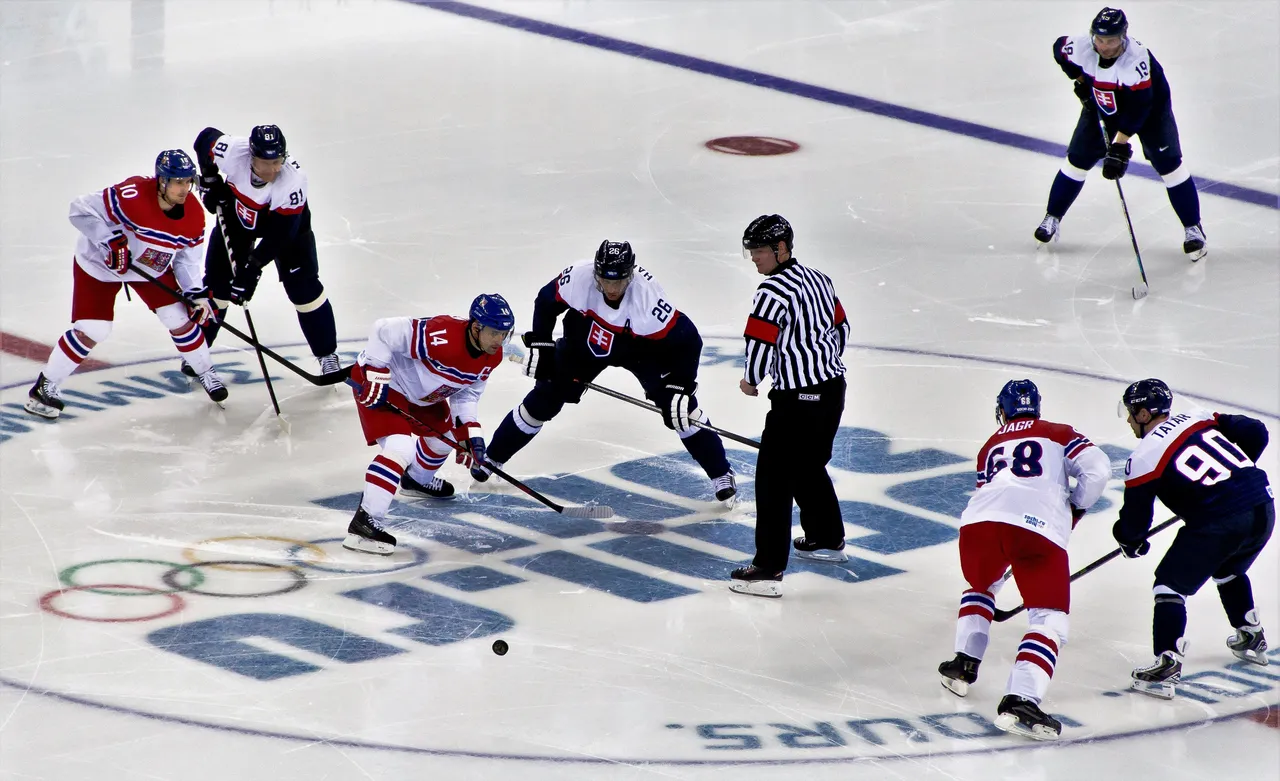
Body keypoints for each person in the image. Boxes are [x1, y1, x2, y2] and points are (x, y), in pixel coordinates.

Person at [483, 240, 736, 505]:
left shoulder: (647, 300)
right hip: (586, 337)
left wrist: (682, 386)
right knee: (545, 397)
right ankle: (493, 458)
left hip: (641, 347)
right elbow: (546, 301)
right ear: (595, 272)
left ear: (631, 275)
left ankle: (721, 473)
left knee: (679, 410)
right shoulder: (578, 277)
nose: (611, 289)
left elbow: (689, 340)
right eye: (604, 280)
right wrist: (542, 346)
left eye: (619, 282)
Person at [937, 380, 1110, 741]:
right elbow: (1098, 470)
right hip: (1036, 529)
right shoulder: (1059, 433)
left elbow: (992, 492)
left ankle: (963, 663)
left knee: (982, 587)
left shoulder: (990, 445)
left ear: (1003, 410)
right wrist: (1075, 507)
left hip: (978, 525)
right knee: (1049, 618)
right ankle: (1021, 698)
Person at [24, 150, 224, 419]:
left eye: (188, 181)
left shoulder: (194, 217)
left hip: (149, 266)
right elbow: (79, 210)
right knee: (94, 329)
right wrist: (107, 239)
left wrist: (195, 295)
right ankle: (45, 386)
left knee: (178, 317)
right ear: (161, 181)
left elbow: (187, 261)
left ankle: (205, 371)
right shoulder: (131, 194)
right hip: (100, 265)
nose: (184, 189)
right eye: (177, 182)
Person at [1114, 378, 1273, 699]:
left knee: (1168, 586)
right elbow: (1257, 431)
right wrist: (1235, 475)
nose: (1129, 420)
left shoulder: (1144, 457)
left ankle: (1166, 664)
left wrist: (1131, 542)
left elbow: (1134, 523)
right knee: (1229, 567)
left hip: (1222, 518)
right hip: (1262, 502)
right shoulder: (1198, 417)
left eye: (1132, 413)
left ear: (1144, 414)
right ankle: (1251, 634)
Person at [729, 215, 851, 598]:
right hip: (832, 391)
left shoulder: (771, 293)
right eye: (751, 251)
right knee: (808, 467)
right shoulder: (819, 279)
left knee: (772, 480)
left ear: (781, 249)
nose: (754, 258)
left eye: (760, 251)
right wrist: (822, 364)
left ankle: (768, 567)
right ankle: (827, 539)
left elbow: (760, 342)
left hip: (796, 401)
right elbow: (842, 328)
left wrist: (752, 380)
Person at [344, 294, 514, 555]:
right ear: (476, 326)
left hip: (424, 396)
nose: (499, 341)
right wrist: (376, 371)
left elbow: (467, 393)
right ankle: (365, 524)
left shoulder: (493, 355)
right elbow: (383, 329)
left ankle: (416, 480)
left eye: (504, 333)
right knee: (401, 448)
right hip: (386, 385)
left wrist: (470, 432)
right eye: (494, 333)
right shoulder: (443, 333)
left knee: (442, 440)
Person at [1034, 7, 1207, 261]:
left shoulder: (1135, 61)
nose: (1104, 46)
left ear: (1123, 36)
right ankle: (1052, 217)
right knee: (1078, 159)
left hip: (1149, 107)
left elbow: (1139, 107)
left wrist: (1119, 146)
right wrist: (1082, 82)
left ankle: (1194, 229)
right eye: (1100, 39)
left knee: (1169, 165)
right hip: (1106, 100)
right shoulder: (1081, 46)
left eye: (1111, 40)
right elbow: (1059, 50)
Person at [190, 124, 341, 375]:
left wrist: (252, 269)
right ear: (251, 155)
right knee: (218, 288)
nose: (274, 169)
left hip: (286, 228)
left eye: (278, 161)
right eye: (265, 162)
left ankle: (327, 354)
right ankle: (195, 354)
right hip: (239, 219)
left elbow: (281, 236)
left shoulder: (293, 181)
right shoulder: (233, 150)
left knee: (304, 288)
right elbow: (205, 138)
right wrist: (209, 178)